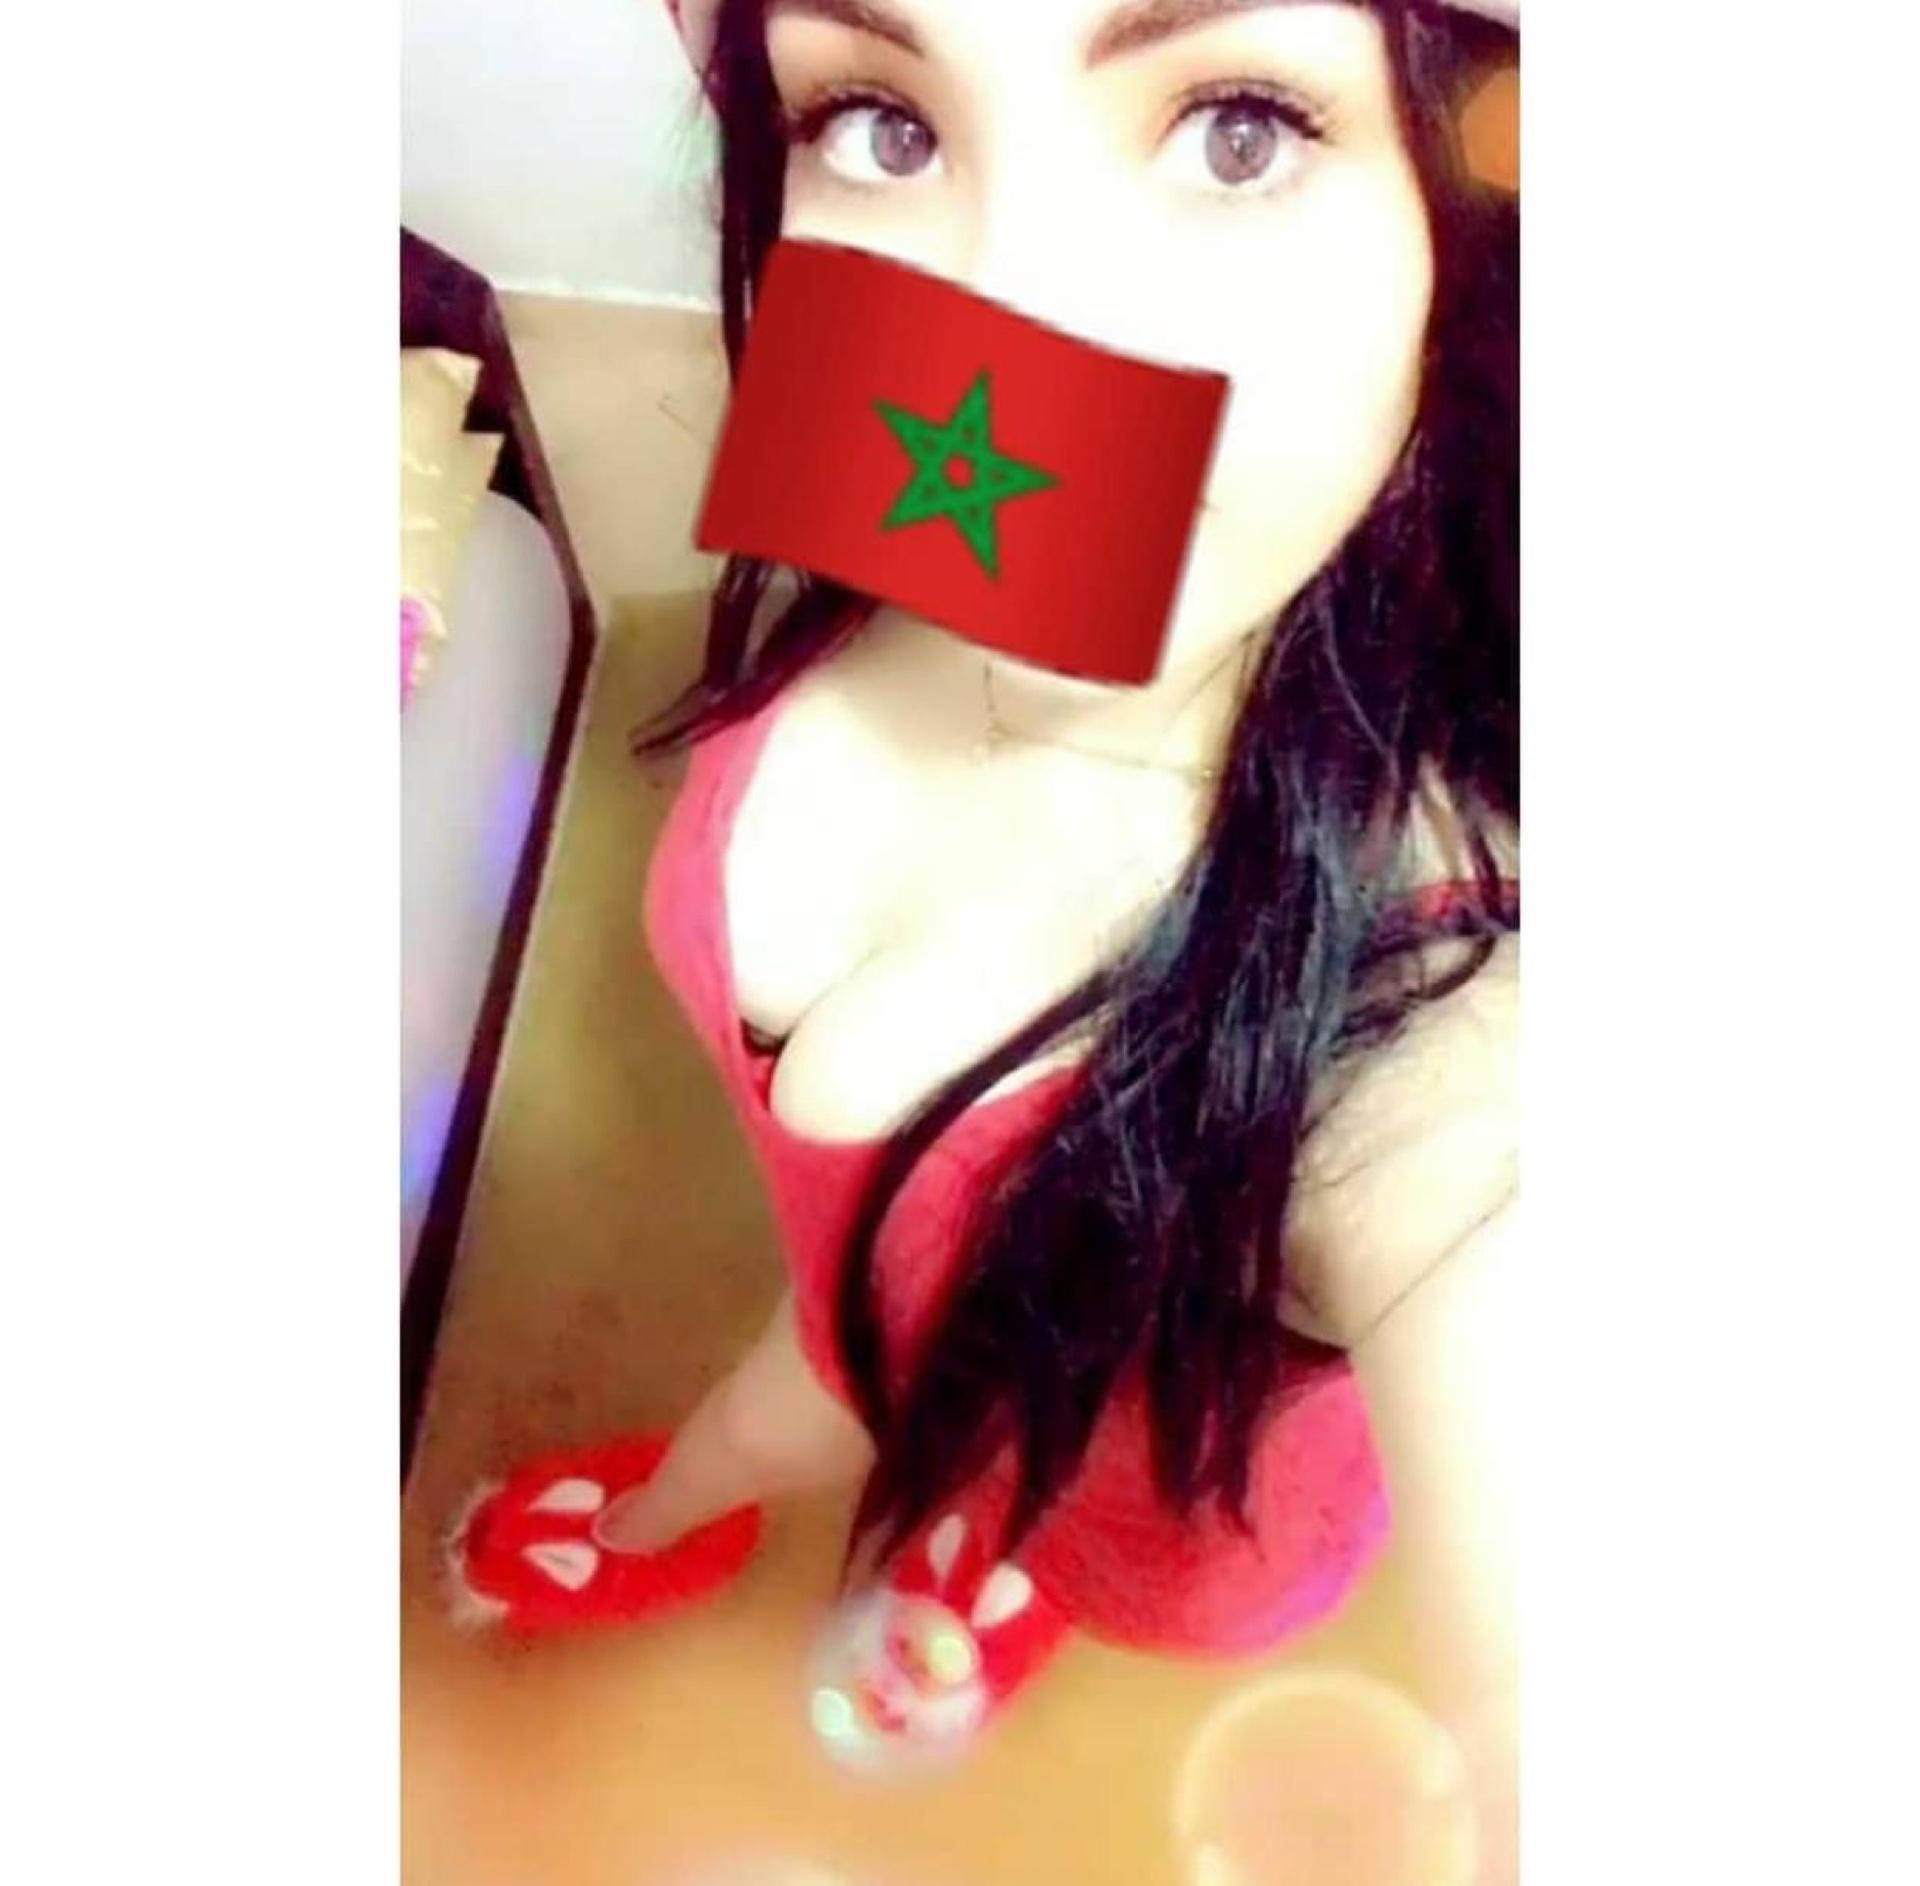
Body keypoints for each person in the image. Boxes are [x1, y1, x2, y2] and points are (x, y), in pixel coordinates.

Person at [448, 0, 1519, 1854]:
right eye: (880, 120)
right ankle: (670, 1512)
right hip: (853, 1311)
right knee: (802, 1390)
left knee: (1029, 1502)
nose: (1011, 321)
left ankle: (1002, 1558)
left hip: (1154, 1483)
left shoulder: (1444, 1027)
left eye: (1242, 127)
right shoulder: (899, 481)